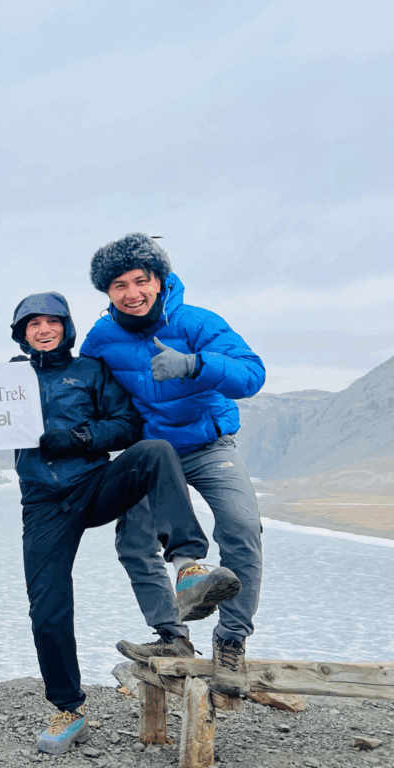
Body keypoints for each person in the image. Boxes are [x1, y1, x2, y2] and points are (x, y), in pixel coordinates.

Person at [10, 291, 232, 756]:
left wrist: (78, 436)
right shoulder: (7, 378)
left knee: (155, 450)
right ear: (22, 333)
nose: (44, 330)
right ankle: (68, 709)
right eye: (33, 324)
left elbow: (128, 425)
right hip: (44, 504)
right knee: (47, 608)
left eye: (52, 322)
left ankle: (189, 562)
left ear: (66, 328)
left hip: (94, 485)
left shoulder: (90, 370)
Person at [80, 232, 266, 697]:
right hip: (150, 454)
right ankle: (173, 637)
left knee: (241, 528)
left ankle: (230, 641)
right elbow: (87, 391)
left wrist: (196, 364)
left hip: (208, 446)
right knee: (133, 541)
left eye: (141, 280)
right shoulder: (102, 338)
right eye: (119, 285)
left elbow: (252, 375)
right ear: (107, 293)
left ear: (159, 280)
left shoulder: (199, 323)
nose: (132, 292)